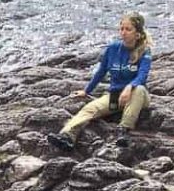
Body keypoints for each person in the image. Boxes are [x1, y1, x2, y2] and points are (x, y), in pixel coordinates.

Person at [48, 12, 152, 150]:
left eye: (128, 29)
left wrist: (129, 87)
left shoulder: (145, 51)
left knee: (138, 89)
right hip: (116, 97)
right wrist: (86, 91)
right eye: (122, 29)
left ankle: (123, 131)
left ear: (137, 32)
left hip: (138, 97)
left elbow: (142, 76)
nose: (123, 33)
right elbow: (101, 71)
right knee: (90, 108)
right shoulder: (112, 49)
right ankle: (67, 136)